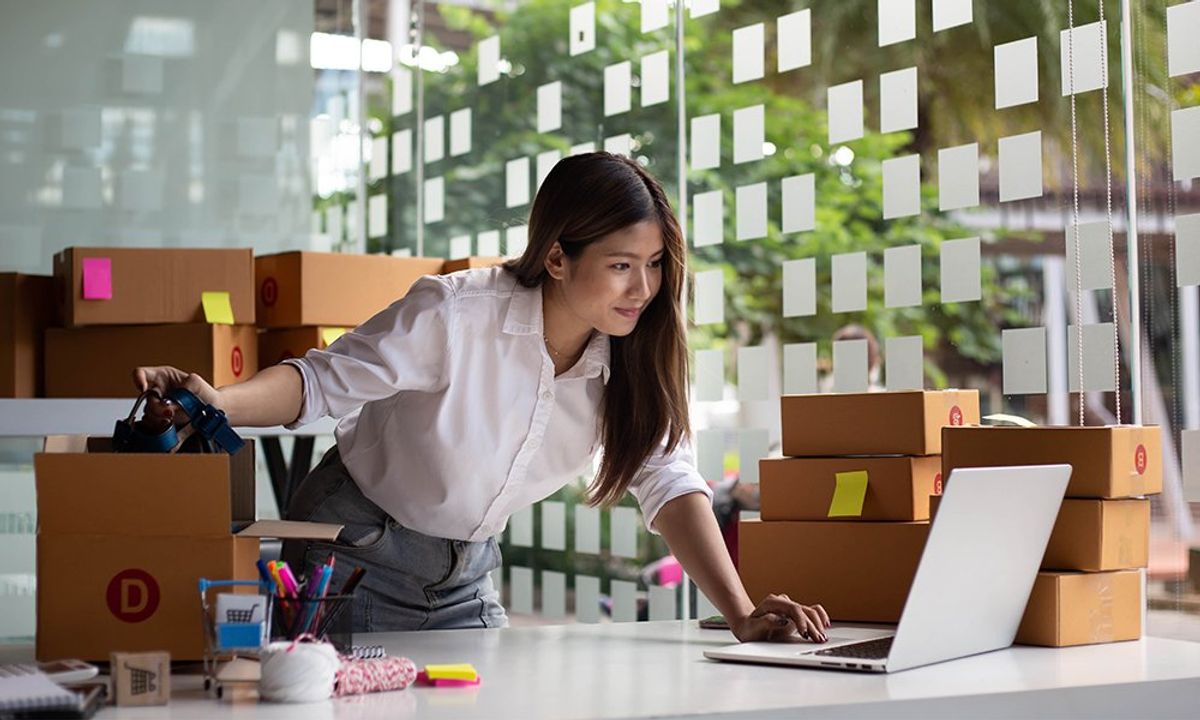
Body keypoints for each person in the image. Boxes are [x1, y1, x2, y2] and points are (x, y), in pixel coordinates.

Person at [133, 152, 830, 643]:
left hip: (468, 577)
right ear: (557, 257)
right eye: (620, 266)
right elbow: (321, 381)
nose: (643, 289)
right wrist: (217, 402)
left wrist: (740, 614)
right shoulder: (456, 314)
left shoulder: (636, 358)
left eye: (653, 266)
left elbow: (669, 479)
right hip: (356, 562)